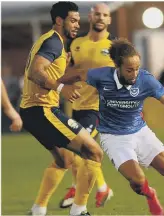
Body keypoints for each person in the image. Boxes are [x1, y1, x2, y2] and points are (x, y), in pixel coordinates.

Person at [60, 38, 164, 215]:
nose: (134, 74)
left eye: (137, 68)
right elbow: (78, 74)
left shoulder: (145, 80)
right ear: (117, 66)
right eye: (129, 70)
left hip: (140, 132)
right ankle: (150, 194)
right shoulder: (101, 76)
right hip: (113, 138)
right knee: (138, 182)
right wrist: (58, 85)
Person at [19, 2, 103, 216]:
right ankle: (79, 210)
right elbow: (35, 73)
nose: (77, 25)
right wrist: (62, 87)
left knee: (64, 160)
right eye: (72, 20)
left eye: (78, 20)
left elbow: (46, 73)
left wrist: (74, 76)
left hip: (31, 112)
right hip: (42, 110)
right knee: (94, 152)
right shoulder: (54, 43)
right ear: (59, 20)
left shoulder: (52, 42)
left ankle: (37, 210)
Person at [59, 3, 114, 210]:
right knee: (76, 150)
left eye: (105, 15)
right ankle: (102, 188)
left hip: (99, 108)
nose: (100, 18)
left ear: (109, 20)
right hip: (74, 105)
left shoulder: (115, 46)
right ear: (90, 17)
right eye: (97, 14)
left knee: (81, 147)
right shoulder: (74, 42)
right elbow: (66, 70)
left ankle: (79, 194)